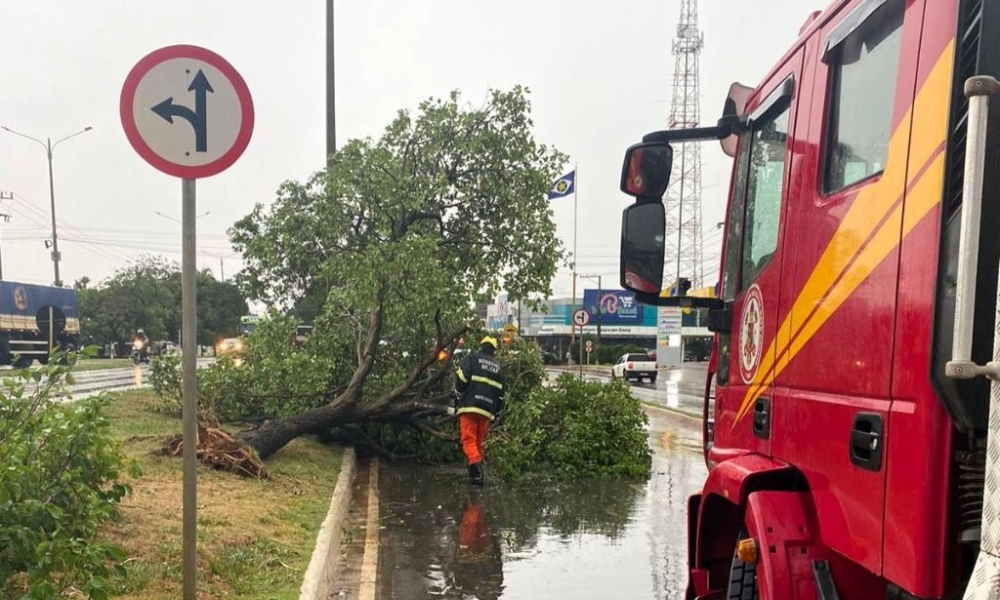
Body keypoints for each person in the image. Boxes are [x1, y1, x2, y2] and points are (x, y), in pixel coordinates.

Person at [454, 336, 505, 485]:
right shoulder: (498, 367)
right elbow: (501, 395)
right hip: (486, 411)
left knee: (468, 441)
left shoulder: (472, 359)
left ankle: (478, 477)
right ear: (494, 351)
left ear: (481, 346)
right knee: (477, 443)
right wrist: (495, 413)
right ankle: (475, 474)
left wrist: (458, 393)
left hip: (470, 407)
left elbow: (461, 378)